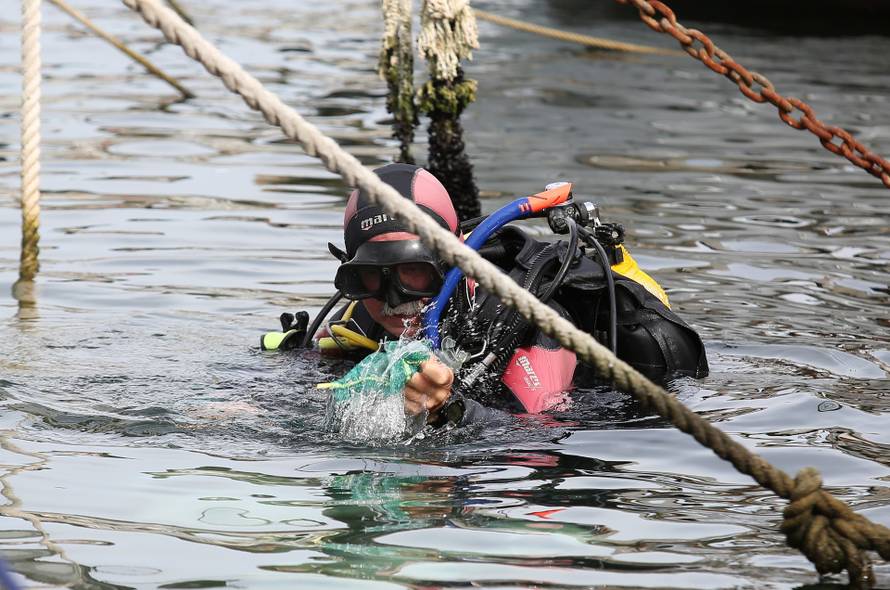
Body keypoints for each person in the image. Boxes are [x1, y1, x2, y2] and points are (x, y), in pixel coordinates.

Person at [264, 163, 708, 425]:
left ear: (456, 259)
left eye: (416, 274)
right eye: (372, 278)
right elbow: (311, 374)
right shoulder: (361, 313)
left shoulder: (528, 318)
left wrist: (451, 410)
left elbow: (539, 429)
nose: (396, 299)